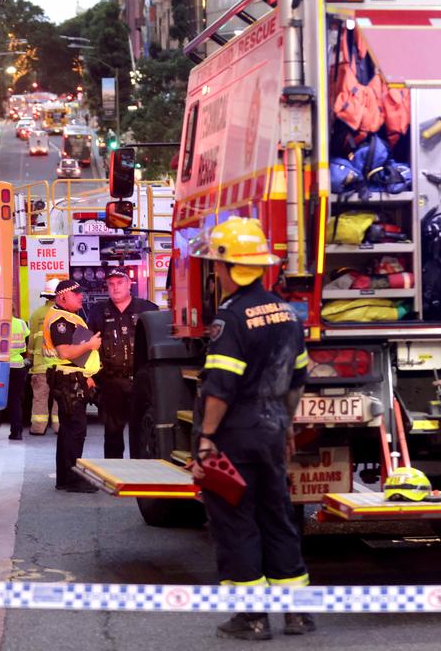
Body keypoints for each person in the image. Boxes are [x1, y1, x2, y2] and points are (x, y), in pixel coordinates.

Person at [188, 216, 314, 641]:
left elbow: (221, 387)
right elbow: (298, 377)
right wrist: (287, 424)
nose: (215, 272)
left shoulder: (232, 318)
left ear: (227, 268)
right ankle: (296, 614)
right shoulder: (286, 313)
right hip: (273, 430)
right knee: (277, 517)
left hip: (234, 439)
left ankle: (252, 618)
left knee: (235, 521)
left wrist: (206, 439)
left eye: (216, 265)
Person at [88, 268, 158, 458]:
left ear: (129, 284)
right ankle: (114, 475)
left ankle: (139, 476)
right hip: (111, 383)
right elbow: (86, 346)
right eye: (111, 284)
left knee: (142, 432)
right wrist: (89, 377)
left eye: (120, 283)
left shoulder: (148, 309)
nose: (115, 287)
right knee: (112, 435)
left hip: (141, 383)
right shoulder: (97, 312)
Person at [44, 279, 101, 493]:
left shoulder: (68, 317)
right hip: (68, 380)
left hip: (72, 377)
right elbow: (65, 353)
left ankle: (66, 478)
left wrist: (87, 375)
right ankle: (73, 479)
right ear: (63, 297)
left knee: (69, 429)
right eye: (76, 294)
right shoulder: (60, 319)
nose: (81, 297)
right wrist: (90, 344)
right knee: (75, 429)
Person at [0, 307, 29, 440]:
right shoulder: (21, 323)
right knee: (15, 400)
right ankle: (16, 432)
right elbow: (27, 341)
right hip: (18, 365)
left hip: (0, 367)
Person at [28, 278, 61, 435]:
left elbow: (31, 341)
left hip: (40, 365)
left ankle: (38, 428)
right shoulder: (63, 314)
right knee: (59, 398)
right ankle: (58, 426)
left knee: (40, 398)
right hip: (59, 365)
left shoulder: (36, 315)